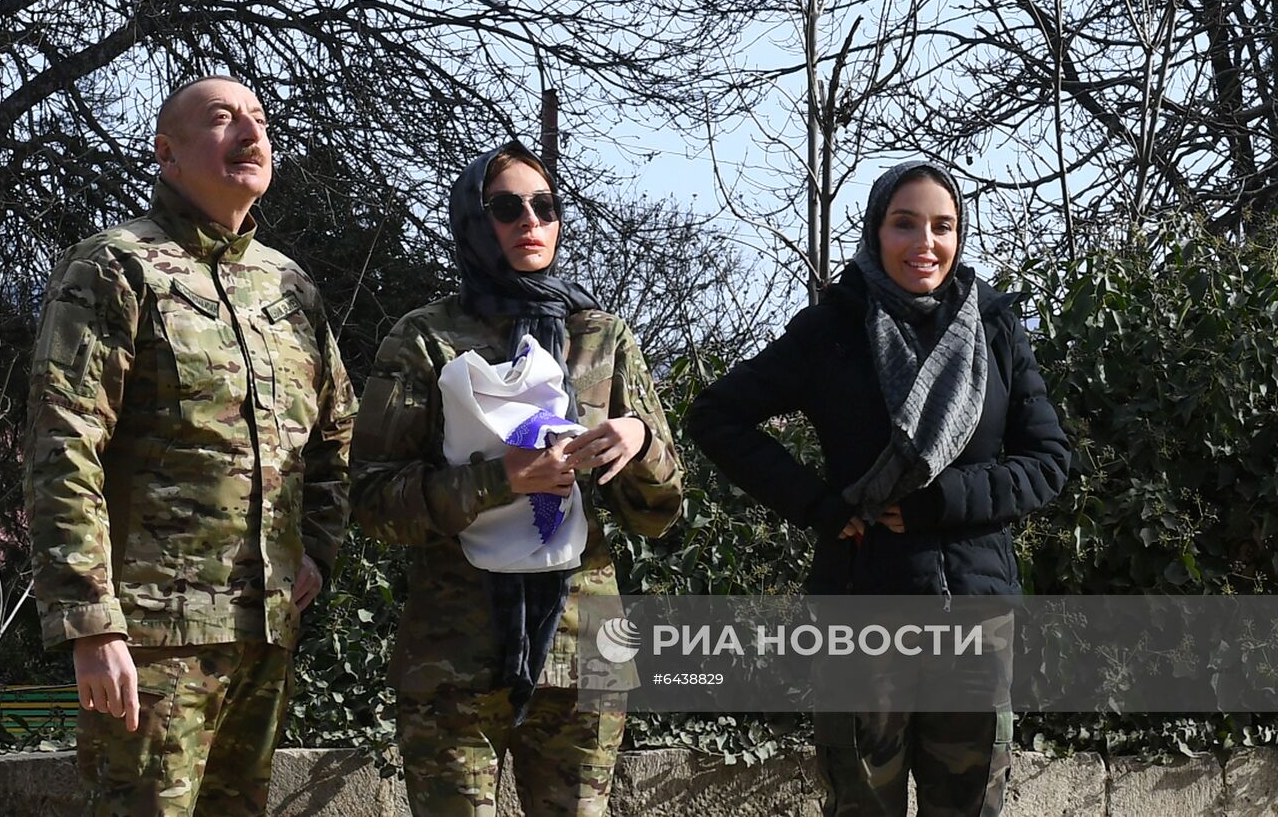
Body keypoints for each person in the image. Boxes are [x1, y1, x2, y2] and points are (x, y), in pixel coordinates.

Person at [685, 161, 1070, 816]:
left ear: (960, 235)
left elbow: (1048, 461)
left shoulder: (996, 328)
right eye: (905, 224)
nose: (926, 243)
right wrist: (818, 504)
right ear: (875, 230)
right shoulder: (832, 328)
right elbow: (715, 416)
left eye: (943, 226)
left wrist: (939, 500)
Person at [26, 75, 355, 816]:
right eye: (222, 118)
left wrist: (318, 551)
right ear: (166, 153)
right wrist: (91, 621)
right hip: (152, 638)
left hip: (265, 632)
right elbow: (63, 442)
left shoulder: (289, 286)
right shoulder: (115, 266)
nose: (251, 131)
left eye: (261, 120)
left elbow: (335, 433)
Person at [350, 140, 683, 816]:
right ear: (474, 221)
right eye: (506, 207)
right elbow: (376, 501)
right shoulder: (425, 338)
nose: (530, 220)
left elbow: (661, 511)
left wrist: (640, 440)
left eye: (545, 205)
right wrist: (502, 478)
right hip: (454, 657)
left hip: (584, 655)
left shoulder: (602, 336)